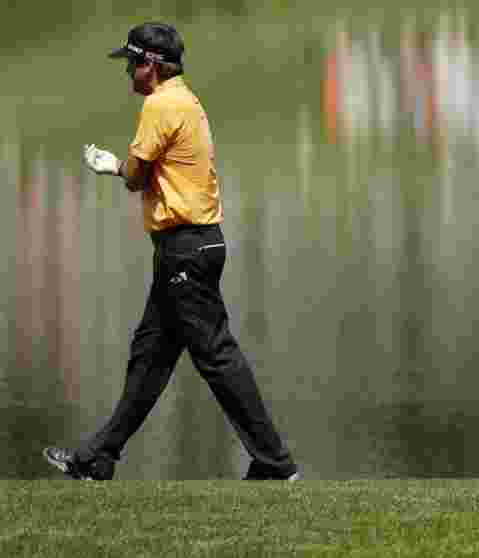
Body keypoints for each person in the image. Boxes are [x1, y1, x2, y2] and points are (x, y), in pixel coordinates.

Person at [43, 22, 299, 481]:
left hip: (187, 249)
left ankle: (276, 463)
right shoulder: (185, 98)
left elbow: (137, 176)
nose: (129, 74)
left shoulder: (161, 105)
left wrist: (111, 166)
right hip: (188, 248)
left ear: (153, 65)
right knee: (151, 356)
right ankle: (98, 458)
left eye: (133, 64)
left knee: (216, 355)